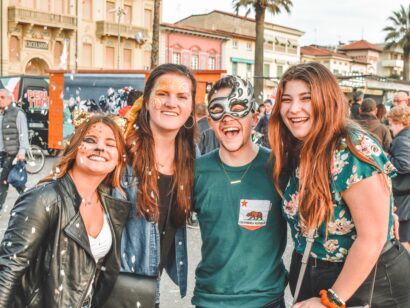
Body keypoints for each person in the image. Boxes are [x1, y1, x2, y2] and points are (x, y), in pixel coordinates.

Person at [269, 62, 410, 308]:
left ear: (327, 100)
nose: (294, 109)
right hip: (312, 272)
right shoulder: (299, 146)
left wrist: (331, 300)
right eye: (287, 99)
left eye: (306, 98)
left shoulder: (353, 148)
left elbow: (372, 237)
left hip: (366, 284)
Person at [0, 115, 131, 307]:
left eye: (110, 144)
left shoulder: (109, 205)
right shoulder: (44, 198)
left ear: (119, 158)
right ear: (74, 148)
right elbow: (8, 269)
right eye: (89, 140)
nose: (100, 148)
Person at [192, 76, 287, 308]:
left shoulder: (279, 168)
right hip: (210, 300)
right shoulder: (195, 172)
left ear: (254, 118)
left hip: (266, 300)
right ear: (210, 122)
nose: (227, 119)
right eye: (217, 111)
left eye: (237, 109)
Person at [115, 64, 197, 306]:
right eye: (162, 94)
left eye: (182, 96)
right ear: (148, 101)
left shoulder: (190, 159)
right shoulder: (119, 152)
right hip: (111, 291)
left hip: (148, 293)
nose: (172, 103)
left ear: (191, 107)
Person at [0, 88, 30, 211]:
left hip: (12, 155)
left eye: (2, 97)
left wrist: (22, 152)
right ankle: (29, 200)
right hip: (3, 154)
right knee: (17, 182)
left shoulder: (18, 113)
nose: (0, 100)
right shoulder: (2, 114)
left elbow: (23, 134)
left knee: (3, 181)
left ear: (9, 99)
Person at [387, 105, 410, 253]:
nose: (390, 128)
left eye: (390, 124)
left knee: (403, 238)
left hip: (403, 198)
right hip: (406, 195)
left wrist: (385, 157)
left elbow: (404, 164)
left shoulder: (402, 139)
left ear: (398, 122)